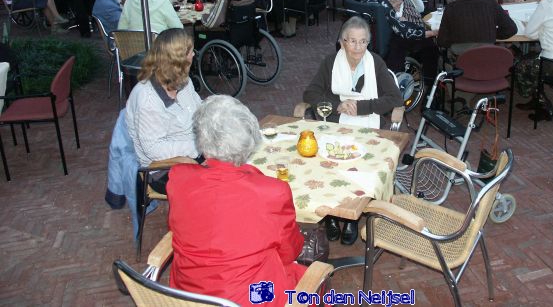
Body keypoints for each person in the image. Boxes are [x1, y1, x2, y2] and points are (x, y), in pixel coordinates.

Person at [167, 95, 305, 306]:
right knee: (312, 281)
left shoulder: (178, 178)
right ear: (248, 141)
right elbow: (290, 251)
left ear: (201, 140)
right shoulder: (272, 192)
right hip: (250, 298)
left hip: (188, 296)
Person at [303, 16, 402, 245]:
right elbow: (311, 93)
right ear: (342, 42)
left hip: (368, 123)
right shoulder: (330, 62)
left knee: (359, 168)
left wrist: (362, 107)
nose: (358, 47)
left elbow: (395, 98)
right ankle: (330, 215)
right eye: (352, 41)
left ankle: (351, 219)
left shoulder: (375, 63)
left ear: (368, 42)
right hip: (336, 122)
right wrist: (336, 105)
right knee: (328, 164)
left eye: (363, 41)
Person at [125, 28, 201, 191]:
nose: (194, 54)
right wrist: (198, 146)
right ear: (178, 59)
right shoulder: (148, 99)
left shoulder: (183, 81)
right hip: (163, 169)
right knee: (219, 183)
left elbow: (200, 109)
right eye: (190, 51)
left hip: (194, 152)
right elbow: (154, 149)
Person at [437, 0, 517, 59]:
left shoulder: (451, 8)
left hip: (460, 59)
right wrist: (491, 34)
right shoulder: (491, 4)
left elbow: (442, 40)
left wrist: (457, 37)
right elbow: (511, 29)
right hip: (487, 57)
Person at [367, 0, 439, 85]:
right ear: (391, 1)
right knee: (430, 44)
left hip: (372, 41)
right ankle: (429, 82)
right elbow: (405, 32)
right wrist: (432, 32)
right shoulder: (387, 8)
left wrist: (396, 19)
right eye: (398, 5)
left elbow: (392, 22)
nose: (398, 8)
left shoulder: (373, 0)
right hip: (389, 45)